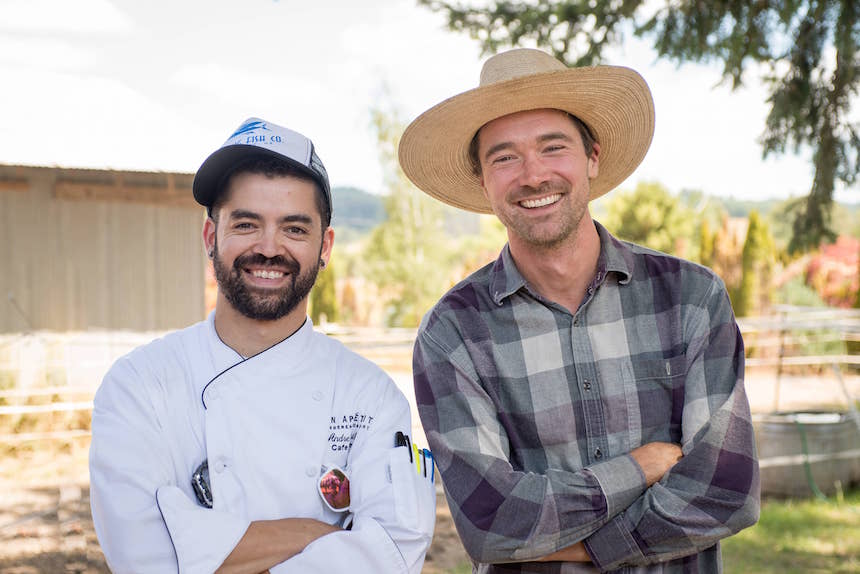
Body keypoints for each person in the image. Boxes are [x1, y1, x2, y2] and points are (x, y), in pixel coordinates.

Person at [399, 49, 759, 573]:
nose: (533, 174)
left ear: (592, 157)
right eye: (504, 157)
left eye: (553, 147)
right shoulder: (453, 333)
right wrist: (641, 468)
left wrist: (585, 547)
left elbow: (725, 490)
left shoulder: (691, 297)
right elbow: (492, 521)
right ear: (483, 181)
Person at [90, 117, 435, 573]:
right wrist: (317, 535)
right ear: (211, 237)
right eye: (247, 224)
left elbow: (390, 554)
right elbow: (145, 558)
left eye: (294, 229)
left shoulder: (369, 396)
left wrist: (201, 545)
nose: (269, 248)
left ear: (325, 246)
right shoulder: (138, 386)